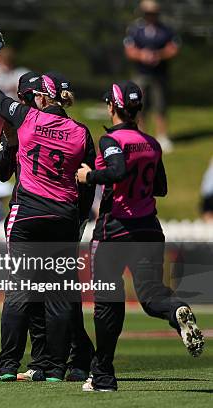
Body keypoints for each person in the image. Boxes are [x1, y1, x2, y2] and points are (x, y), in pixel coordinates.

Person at [0, 22, 96, 382]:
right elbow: (87, 182)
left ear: (41, 97)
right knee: (57, 296)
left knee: (20, 291)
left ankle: (7, 368)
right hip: (63, 214)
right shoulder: (81, 133)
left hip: (27, 214)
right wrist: (80, 218)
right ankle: (53, 369)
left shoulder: (27, 118)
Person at [77, 80, 204, 392]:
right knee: (151, 296)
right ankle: (175, 311)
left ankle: (103, 375)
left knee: (107, 302)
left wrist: (89, 176)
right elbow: (160, 188)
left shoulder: (110, 140)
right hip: (148, 229)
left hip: (114, 231)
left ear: (113, 107)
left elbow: (117, 171)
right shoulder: (152, 143)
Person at [0, 71, 95, 383]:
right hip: (53, 212)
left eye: (28, 98)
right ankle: (46, 363)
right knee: (46, 297)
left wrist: (79, 216)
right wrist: (9, 144)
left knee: (43, 295)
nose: (26, 102)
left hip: (33, 212)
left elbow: (86, 178)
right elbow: (2, 172)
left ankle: (72, 359)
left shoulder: (38, 122)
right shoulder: (28, 124)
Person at [124, 0, 180, 152]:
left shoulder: (166, 29)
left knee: (160, 105)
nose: (150, 16)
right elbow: (129, 50)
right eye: (147, 13)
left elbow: (173, 48)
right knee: (139, 105)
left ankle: (162, 136)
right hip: (141, 74)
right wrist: (142, 55)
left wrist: (158, 55)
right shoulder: (135, 29)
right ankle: (142, 137)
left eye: (153, 13)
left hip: (160, 74)